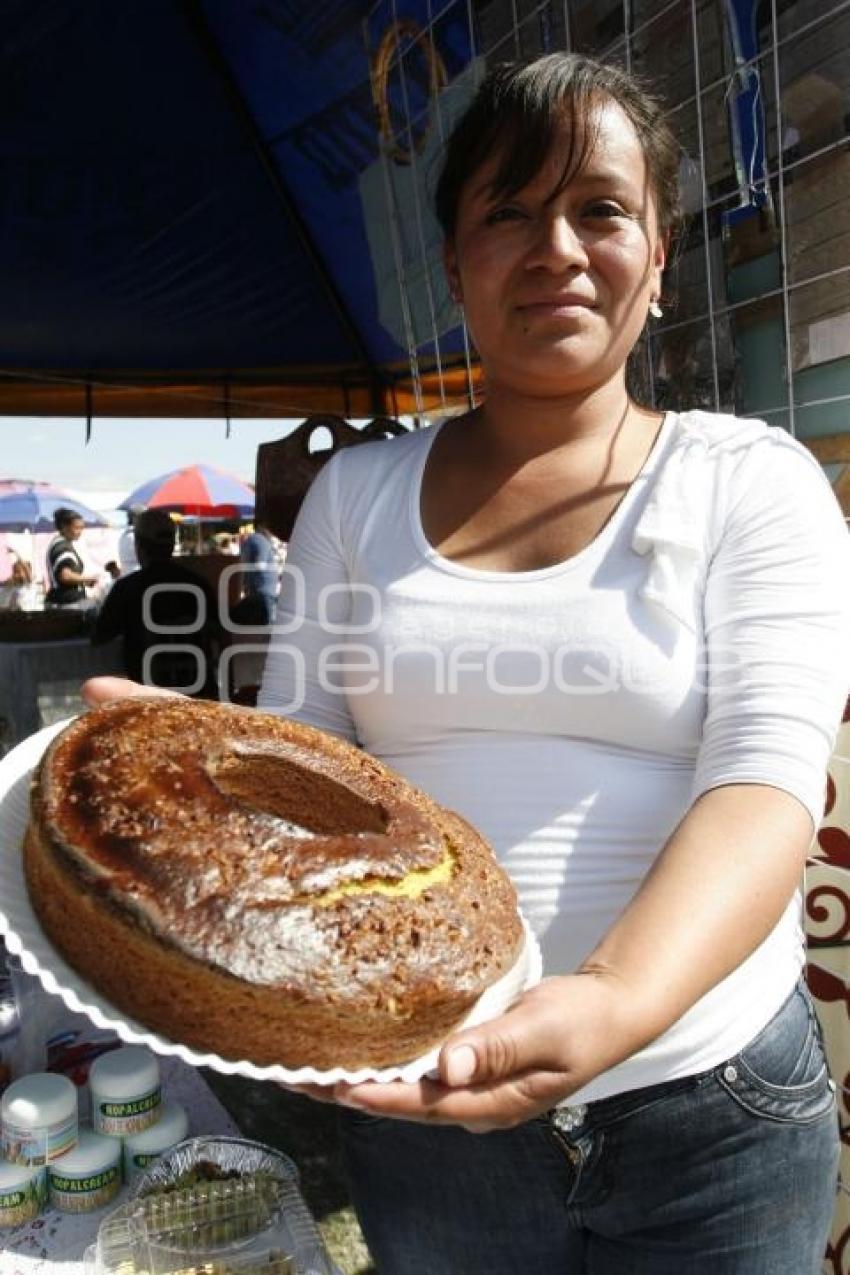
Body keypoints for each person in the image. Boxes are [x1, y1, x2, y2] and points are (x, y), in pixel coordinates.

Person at [85, 53, 849, 1274]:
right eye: (508, 211)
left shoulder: (748, 480)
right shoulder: (358, 492)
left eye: (599, 208)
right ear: (457, 267)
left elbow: (765, 778)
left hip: (711, 1110)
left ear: (655, 260)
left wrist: (611, 1002)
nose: (554, 245)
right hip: (427, 1105)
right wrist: (191, 758)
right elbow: (309, 766)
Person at [91, 508, 219, 696]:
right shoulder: (198, 584)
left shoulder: (127, 588)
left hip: (147, 695)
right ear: (172, 544)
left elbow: (99, 637)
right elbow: (217, 631)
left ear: (139, 545)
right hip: (201, 693)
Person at [45, 507, 98, 606]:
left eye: (82, 528)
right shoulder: (62, 547)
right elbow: (65, 576)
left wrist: (82, 582)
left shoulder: (58, 543)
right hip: (66, 602)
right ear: (64, 527)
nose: (80, 532)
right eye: (77, 528)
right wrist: (88, 579)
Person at [236, 521, 279, 624]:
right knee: (265, 628)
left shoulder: (250, 540)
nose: (272, 532)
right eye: (270, 528)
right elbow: (260, 565)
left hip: (255, 591)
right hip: (263, 592)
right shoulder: (260, 540)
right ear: (261, 526)